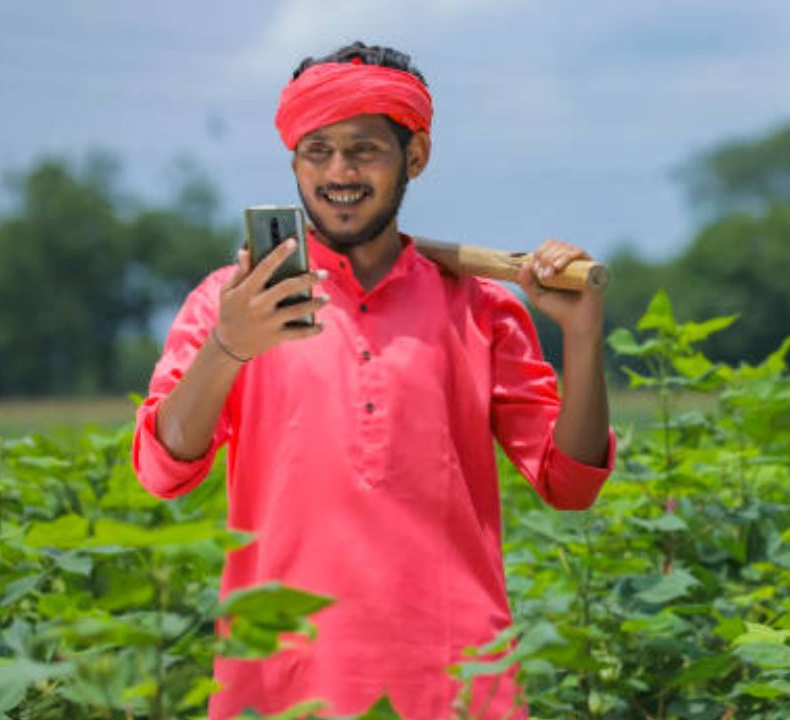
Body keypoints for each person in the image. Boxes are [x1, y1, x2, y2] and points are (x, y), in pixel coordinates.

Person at [132, 41, 615, 719]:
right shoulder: (231, 301)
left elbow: (570, 483)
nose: (339, 172)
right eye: (317, 150)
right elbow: (162, 469)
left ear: (414, 157)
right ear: (293, 160)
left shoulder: (481, 306)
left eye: (364, 149)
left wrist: (584, 335)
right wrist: (227, 348)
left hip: (457, 681)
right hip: (280, 681)